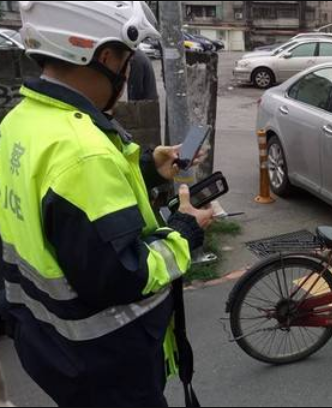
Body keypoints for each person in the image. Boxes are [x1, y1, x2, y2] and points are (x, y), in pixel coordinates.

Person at [0, 1, 213, 406]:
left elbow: (65, 207)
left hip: (47, 345)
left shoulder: (22, 120)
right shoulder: (83, 151)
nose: (129, 71)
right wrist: (187, 231)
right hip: (105, 365)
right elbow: (122, 274)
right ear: (105, 56)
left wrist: (151, 167)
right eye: (127, 58)